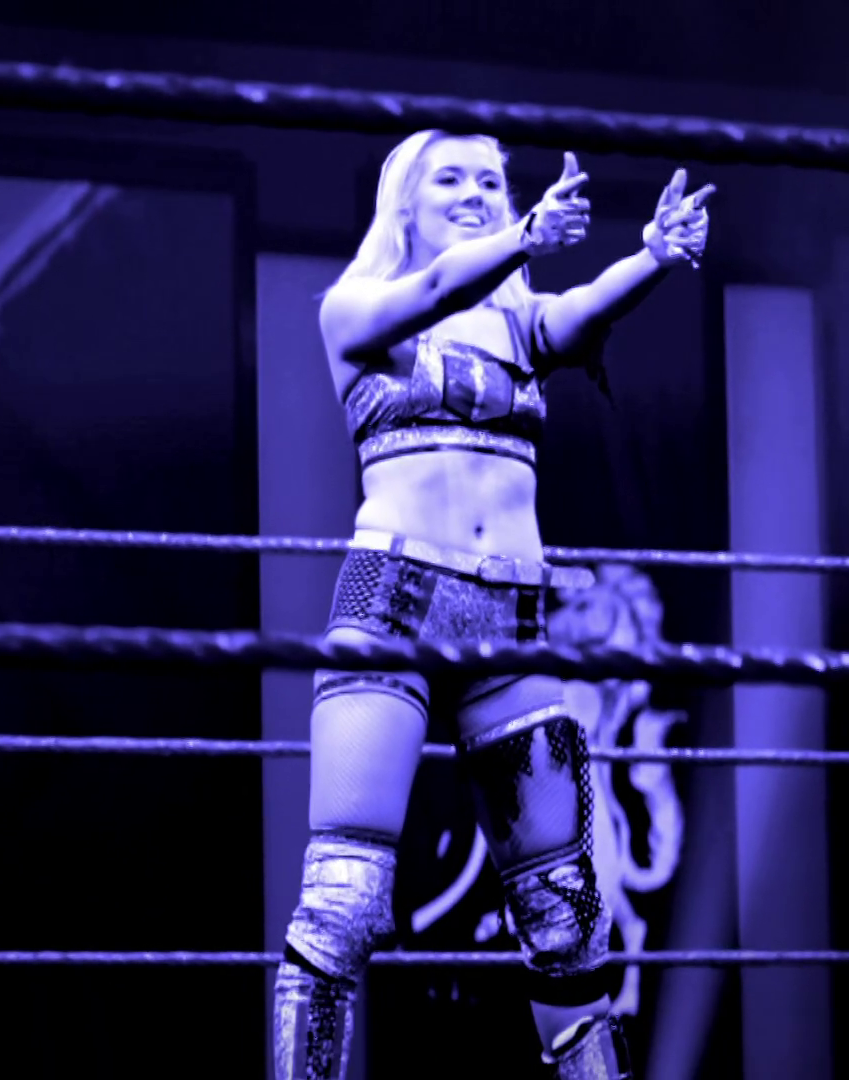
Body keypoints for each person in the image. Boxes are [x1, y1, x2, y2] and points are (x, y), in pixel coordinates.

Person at [271, 129, 713, 1080]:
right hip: (394, 602)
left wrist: (652, 255)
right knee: (343, 902)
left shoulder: (520, 322)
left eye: (490, 180)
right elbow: (436, 290)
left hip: (510, 622)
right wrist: (523, 238)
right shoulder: (357, 306)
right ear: (405, 202)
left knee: (567, 922)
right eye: (452, 179)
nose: (475, 192)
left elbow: (581, 313)